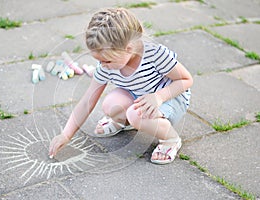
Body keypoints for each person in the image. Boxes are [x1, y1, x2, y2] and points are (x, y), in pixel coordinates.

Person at [49, 8, 193, 164]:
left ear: (128, 48)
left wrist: (158, 97)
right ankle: (123, 123)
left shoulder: (155, 55)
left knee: (136, 115)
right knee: (110, 104)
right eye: (99, 60)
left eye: (107, 61)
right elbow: (87, 101)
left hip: (170, 98)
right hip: (139, 96)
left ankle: (170, 139)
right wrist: (66, 135)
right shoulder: (106, 66)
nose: (102, 65)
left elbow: (186, 79)